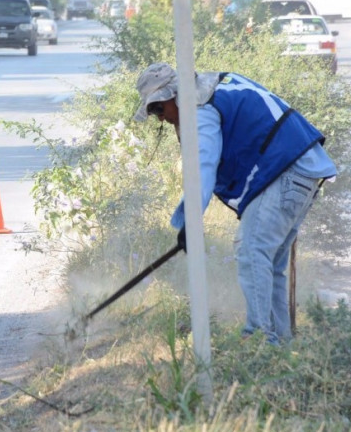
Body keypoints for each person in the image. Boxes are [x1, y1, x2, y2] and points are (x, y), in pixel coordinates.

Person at [134, 63, 337, 345]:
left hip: (287, 171)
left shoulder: (201, 110)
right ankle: (281, 345)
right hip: (302, 170)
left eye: (158, 108)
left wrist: (188, 221)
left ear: (175, 94)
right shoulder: (216, 86)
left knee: (252, 250)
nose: (161, 118)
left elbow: (203, 168)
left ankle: (259, 341)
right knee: (268, 263)